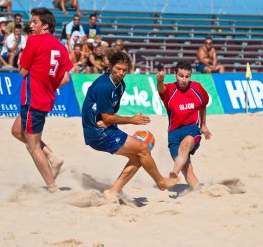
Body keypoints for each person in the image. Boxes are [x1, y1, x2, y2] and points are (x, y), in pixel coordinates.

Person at [81, 51, 179, 196]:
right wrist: (131, 120)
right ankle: (161, 182)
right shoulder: (104, 86)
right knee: (143, 149)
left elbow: (109, 115)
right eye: (118, 69)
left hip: (106, 128)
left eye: (124, 70)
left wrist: (108, 121)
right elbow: (107, 117)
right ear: (110, 67)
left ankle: (113, 192)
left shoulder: (120, 85)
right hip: (97, 133)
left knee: (139, 157)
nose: (121, 73)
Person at [11, 7, 73, 193]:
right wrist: (48, 85)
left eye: (35, 22)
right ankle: (53, 157)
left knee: (33, 146)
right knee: (16, 131)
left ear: (45, 26)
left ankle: (53, 187)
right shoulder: (61, 47)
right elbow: (66, 78)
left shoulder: (34, 41)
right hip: (45, 99)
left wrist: (23, 59)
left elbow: (22, 71)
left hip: (33, 100)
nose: (31, 25)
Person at [156, 61, 211, 190]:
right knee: (187, 168)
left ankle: (173, 174)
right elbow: (161, 89)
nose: (184, 80)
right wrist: (159, 81)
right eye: (181, 76)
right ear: (175, 74)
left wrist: (203, 124)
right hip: (174, 134)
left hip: (191, 129)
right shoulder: (169, 90)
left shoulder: (197, 88)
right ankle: (199, 192)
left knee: (185, 145)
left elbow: (203, 106)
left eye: (187, 76)